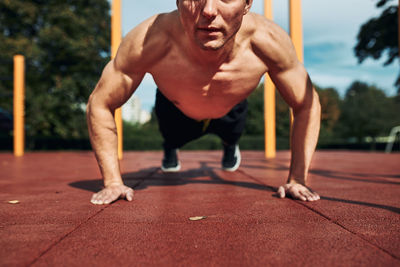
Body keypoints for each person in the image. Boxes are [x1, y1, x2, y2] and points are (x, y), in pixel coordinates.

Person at [87, 0, 321, 205]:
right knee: (170, 130)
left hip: (231, 106)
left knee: (233, 127)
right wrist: (112, 182)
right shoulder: (149, 39)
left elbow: (307, 104)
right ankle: (171, 147)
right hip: (175, 108)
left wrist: (297, 179)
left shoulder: (268, 41)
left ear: (247, 4)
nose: (208, 10)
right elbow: (100, 104)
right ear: (178, 2)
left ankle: (230, 146)